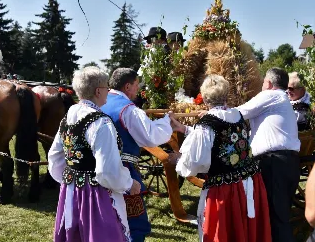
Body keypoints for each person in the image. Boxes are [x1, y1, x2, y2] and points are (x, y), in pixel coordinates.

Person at [169, 74, 271, 242]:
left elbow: (195, 162)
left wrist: (179, 161)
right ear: (226, 94)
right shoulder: (237, 115)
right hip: (250, 181)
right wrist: (183, 128)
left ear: (205, 99)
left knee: (226, 233)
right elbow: (217, 136)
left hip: (226, 191)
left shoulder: (207, 124)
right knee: (246, 231)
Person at [47, 66, 141, 242]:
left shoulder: (69, 116)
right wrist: (128, 183)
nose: (108, 91)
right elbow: (107, 171)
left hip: (70, 191)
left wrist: (69, 181)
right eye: (107, 87)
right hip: (96, 196)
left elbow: (55, 157)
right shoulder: (100, 122)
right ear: (98, 91)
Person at [101, 67, 175, 242]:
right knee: (134, 224)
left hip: (100, 170)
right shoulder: (128, 110)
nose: (138, 89)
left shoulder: (101, 102)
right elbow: (151, 137)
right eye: (136, 85)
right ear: (127, 86)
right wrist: (166, 121)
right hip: (124, 171)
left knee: (107, 220)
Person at [237, 67, 301, 242]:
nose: (262, 85)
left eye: (264, 81)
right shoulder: (282, 98)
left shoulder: (271, 95)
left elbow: (239, 113)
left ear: (270, 83)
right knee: (280, 216)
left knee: (277, 220)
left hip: (275, 163)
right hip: (287, 162)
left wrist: (214, 114)